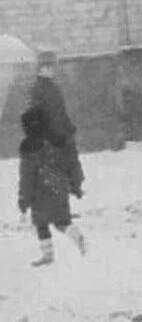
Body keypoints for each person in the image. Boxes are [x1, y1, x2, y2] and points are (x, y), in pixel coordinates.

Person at [17, 106, 86, 266]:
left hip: (40, 191)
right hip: (59, 186)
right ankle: (77, 237)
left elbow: (26, 177)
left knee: (41, 223)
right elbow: (72, 164)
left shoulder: (28, 147)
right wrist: (76, 184)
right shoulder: (58, 140)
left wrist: (23, 199)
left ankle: (47, 255)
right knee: (62, 221)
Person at [28, 51, 82, 197]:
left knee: (66, 165)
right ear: (42, 69)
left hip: (60, 134)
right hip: (51, 137)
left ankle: (70, 190)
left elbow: (60, 110)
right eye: (50, 67)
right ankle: (59, 200)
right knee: (55, 169)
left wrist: (68, 127)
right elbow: (38, 114)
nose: (53, 70)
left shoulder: (52, 87)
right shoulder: (39, 89)